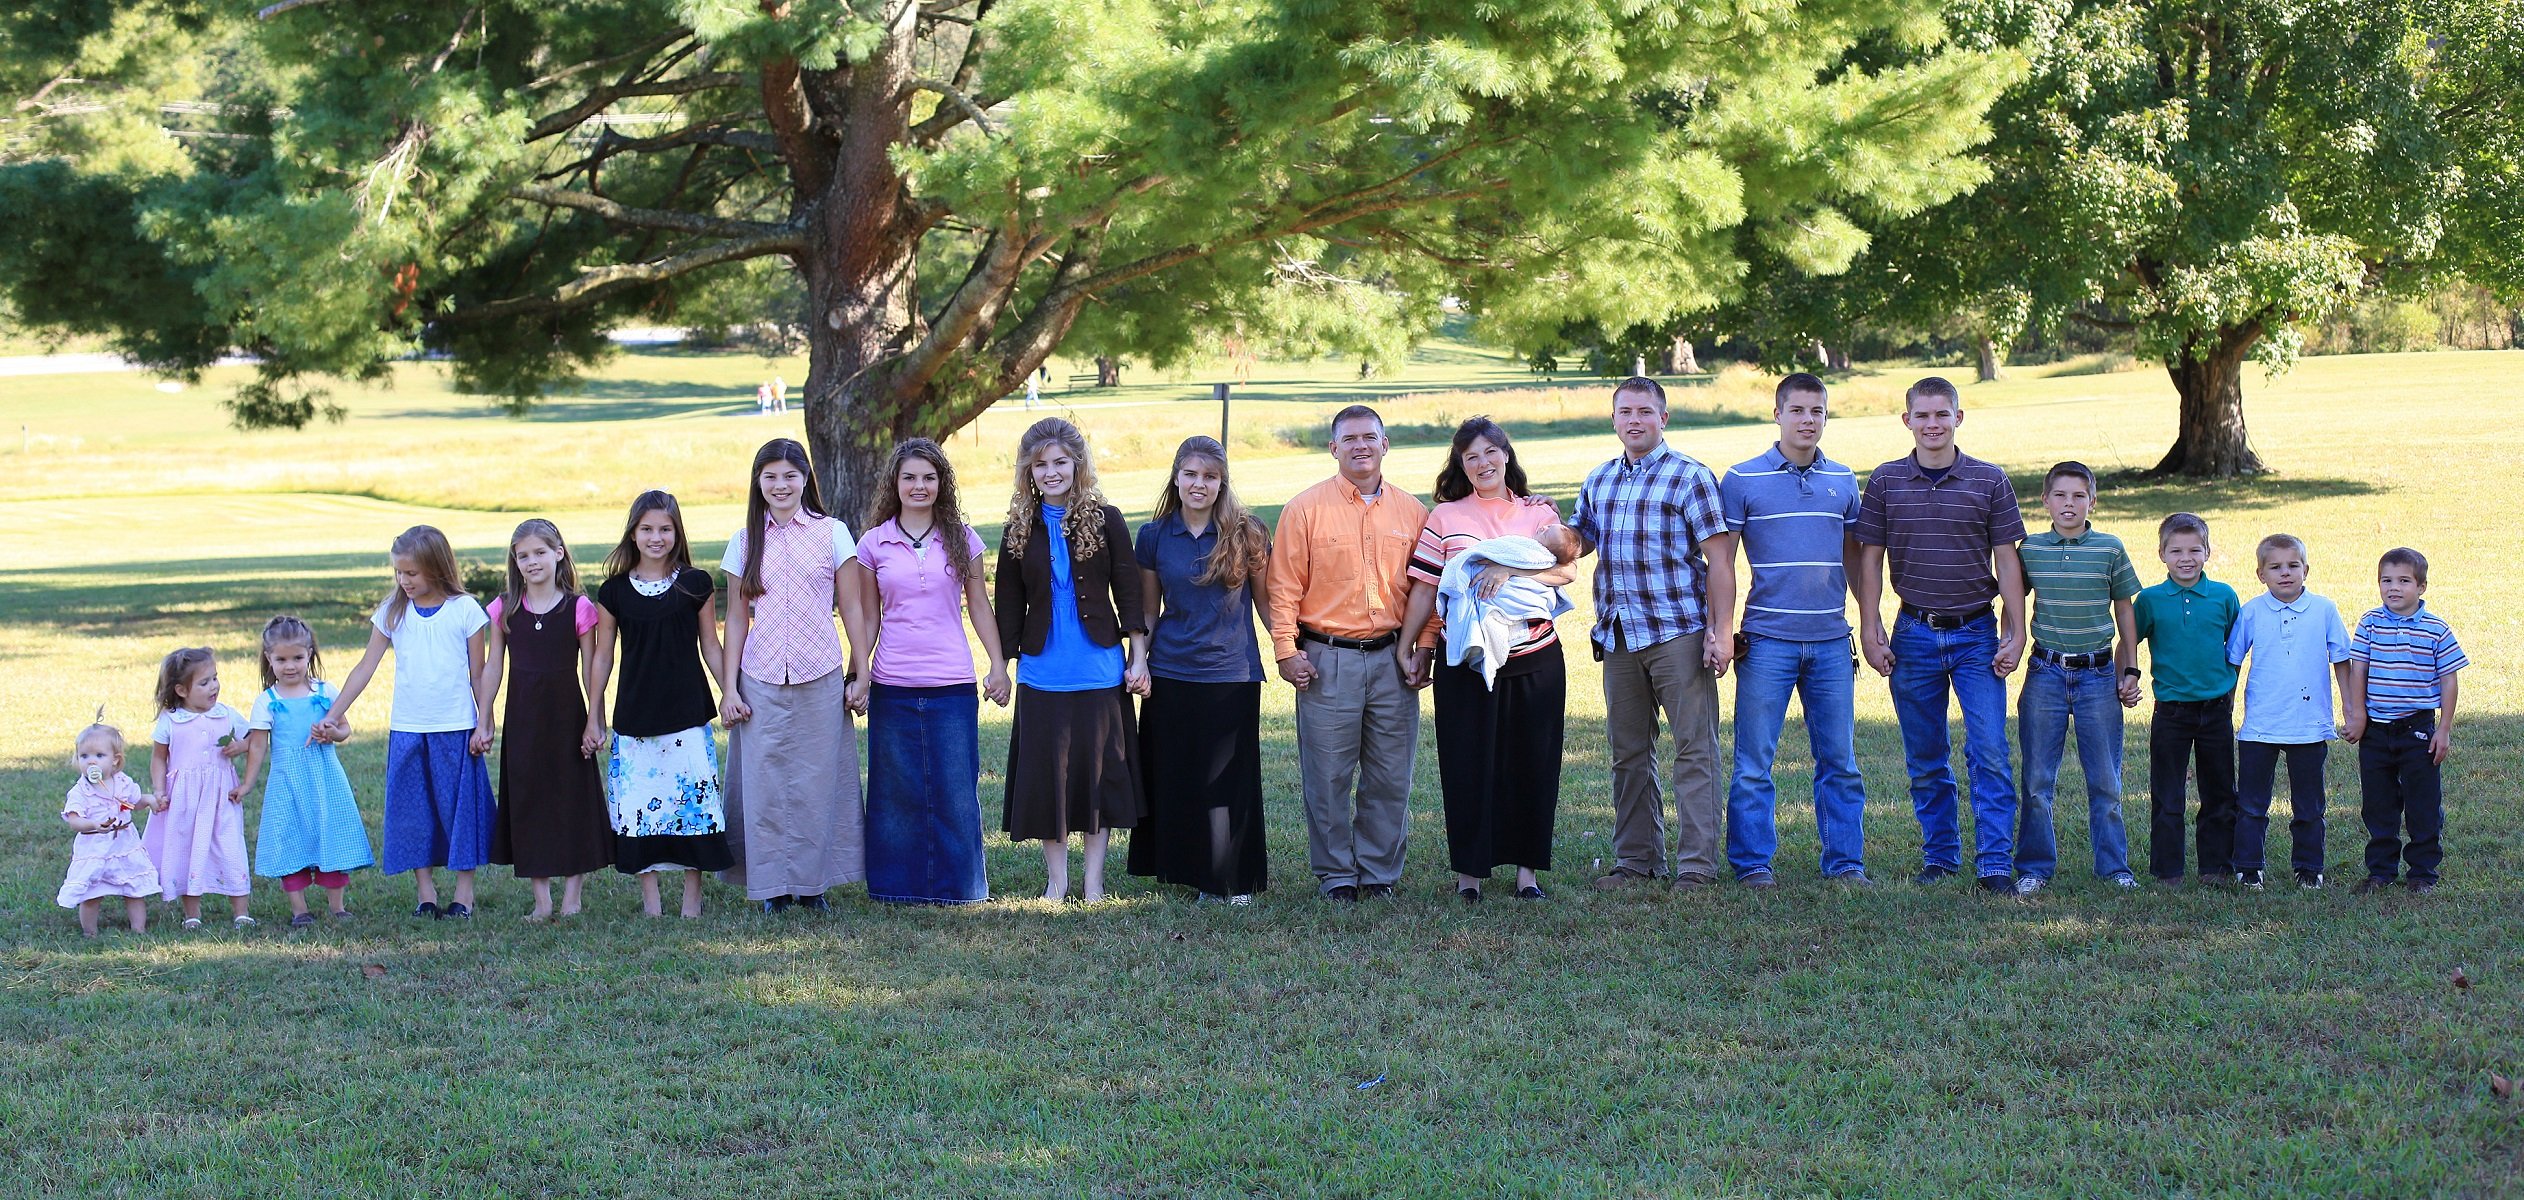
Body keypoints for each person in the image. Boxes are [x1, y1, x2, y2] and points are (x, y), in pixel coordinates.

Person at [1852, 376, 2028, 894]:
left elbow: (2007, 559)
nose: (1933, 425)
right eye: (1922, 416)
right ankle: (1941, 856)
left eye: (1941, 415)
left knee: (1989, 750)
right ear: (1907, 421)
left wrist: (2015, 630)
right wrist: (1871, 624)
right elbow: (1870, 559)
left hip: (1977, 632)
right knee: (1926, 754)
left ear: (1958, 418)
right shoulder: (1885, 482)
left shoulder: (1989, 480)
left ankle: (1994, 862)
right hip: (1914, 632)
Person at [1396, 417, 1573, 902]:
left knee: (1532, 763)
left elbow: (1566, 571)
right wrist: (1412, 645)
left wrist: (1506, 569)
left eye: (1490, 453)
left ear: (1506, 454)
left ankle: (1527, 875)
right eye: (1470, 457)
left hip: (1534, 656)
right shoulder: (1446, 517)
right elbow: (1429, 588)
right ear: (1461, 465)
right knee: (1467, 763)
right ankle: (1469, 876)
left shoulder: (1538, 513)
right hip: (1466, 661)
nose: (1482, 463)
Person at [1568, 378, 1733, 891]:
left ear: (1664, 418)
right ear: (1613, 419)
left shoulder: (1690, 477)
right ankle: (1637, 861)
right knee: (1628, 753)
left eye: (1645, 411)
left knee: (1694, 751)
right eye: (1625, 411)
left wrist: (1720, 632)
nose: (1634, 420)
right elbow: (1577, 541)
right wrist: (1528, 530)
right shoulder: (1600, 480)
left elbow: (1721, 561)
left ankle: (1696, 867)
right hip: (1618, 637)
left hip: (1677, 633)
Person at [1712, 373, 1869, 887]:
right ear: (1777, 414)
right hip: (1766, 641)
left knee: (1839, 760)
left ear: (1827, 416)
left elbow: (1855, 557)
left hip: (1830, 641)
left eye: (1817, 411)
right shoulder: (1741, 479)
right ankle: (1753, 863)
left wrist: (1869, 622)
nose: (1808, 420)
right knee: (1754, 760)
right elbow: (1723, 563)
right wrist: (1722, 631)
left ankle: (1845, 862)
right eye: (1797, 410)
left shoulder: (1844, 480)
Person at [1266, 405, 1428, 902]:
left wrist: (1423, 647)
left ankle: (1378, 872)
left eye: (1370, 437)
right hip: (1326, 658)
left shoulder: (1413, 512)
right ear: (1333, 448)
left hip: (1393, 658)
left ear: (1386, 444)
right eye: (1350, 439)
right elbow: (1283, 586)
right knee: (1328, 774)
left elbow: (1429, 586)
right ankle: (1336, 874)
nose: (1361, 446)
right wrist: (1286, 650)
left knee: (1389, 772)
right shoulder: (1305, 509)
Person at [848, 439, 1010, 906]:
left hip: (952, 683)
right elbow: (869, 617)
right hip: (892, 683)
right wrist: (860, 674)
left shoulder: (963, 537)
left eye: (929, 477)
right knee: (893, 792)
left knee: (956, 789)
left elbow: (979, 606)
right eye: (909, 478)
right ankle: (895, 889)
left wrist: (997, 665)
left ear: (942, 483)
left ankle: (962, 888)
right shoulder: (873, 543)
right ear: (894, 484)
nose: (919, 486)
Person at [995, 417, 1149, 902]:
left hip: (1100, 669)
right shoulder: (1019, 528)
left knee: (1098, 778)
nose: (1051, 472)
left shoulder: (1107, 518)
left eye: (1060, 462)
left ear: (1078, 465)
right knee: (1051, 783)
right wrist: (1003, 664)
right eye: (1040, 465)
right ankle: (1057, 880)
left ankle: (1094, 881)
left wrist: (1138, 656)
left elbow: (1129, 592)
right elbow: (1006, 603)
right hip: (1043, 674)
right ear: (1028, 471)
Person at [718, 438, 869, 913]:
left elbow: (851, 607)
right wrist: (728, 687)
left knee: (816, 780)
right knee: (762, 784)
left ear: (806, 479)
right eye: (770, 476)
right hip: (759, 676)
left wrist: (860, 671)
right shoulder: (744, 540)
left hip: (820, 671)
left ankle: (812, 885)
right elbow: (738, 617)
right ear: (757, 482)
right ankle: (771, 889)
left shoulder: (832, 533)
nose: (780, 485)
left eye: (790, 475)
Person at [319, 525, 498, 919]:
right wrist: (333, 716)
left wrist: (484, 720)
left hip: (455, 728)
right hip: (408, 728)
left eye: (412, 573)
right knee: (415, 812)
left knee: (458, 810)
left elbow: (478, 673)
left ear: (436, 567)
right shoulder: (393, 611)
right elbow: (366, 667)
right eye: (399, 573)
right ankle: (426, 893)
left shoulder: (465, 610)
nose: (404, 581)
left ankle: (464, 895)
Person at [1130, 436, 1273, 904]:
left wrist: (1290, 652)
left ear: (1222, 482)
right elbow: (1148, 613)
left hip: (1231, 672)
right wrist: (1139, 661)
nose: (1200, 484)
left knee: (1229, 780)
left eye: (1210, 476)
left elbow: (1268, 604)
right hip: (1170, 673)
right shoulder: (1153, 536)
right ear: (1176, 478)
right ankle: (1191, 873)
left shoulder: (1247, 532)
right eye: (1191, 474)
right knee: (1177, 777)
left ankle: (1233, 880)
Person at [588, 490, 738, 918]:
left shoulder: (697, 584)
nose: (657, 537)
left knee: (693, 805)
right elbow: (603, 656)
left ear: (677, 532)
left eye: (665, 529)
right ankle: (651, 902)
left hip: (688, 714)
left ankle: (693, 897)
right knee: (640, 805)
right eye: (647, 529)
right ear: (633, 534)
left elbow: (711, 644)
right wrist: (594, 714)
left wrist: (730, 690)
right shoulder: (613, 592)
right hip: (635, 717)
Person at [2007, 462, 2145, 894]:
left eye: (2079, 496)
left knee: (2105, 778)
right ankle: (2034, 867)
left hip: (2098, 675)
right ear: (2045, 500)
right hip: (2045, 672)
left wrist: (2130, 668)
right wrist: (2007, 642)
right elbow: (2012, 601)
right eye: (2061, 496)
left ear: (2092, 501)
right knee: (2036, 779)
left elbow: (2125, 613)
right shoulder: (2029, 549)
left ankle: (2114, 866)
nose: (2070, 504)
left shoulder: (2109, 548)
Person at [477, 518, 616, 920]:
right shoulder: (504, 609)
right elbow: (492, 668)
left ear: (558, 554)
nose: (531, 561)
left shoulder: (579, 607)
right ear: (514, 561)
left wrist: (595, 721)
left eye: (540, 552)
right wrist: (484, 717)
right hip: (522, 718)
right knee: (529, 799)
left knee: (572, 797)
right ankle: (542, 900)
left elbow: (594, 671)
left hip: (567, 717)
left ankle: (573, 897)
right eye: (523, 556)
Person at [2223, 533, 2351, 891]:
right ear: (2261, 574)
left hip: (2308, 725)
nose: (2285, 573)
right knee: (2251, 804)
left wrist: (2351, 709)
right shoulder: (2251, 611)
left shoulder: (2324, 609)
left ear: (2306, 570)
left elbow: (2342, 660)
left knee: (2309, 805)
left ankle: (2309, 867)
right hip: (2260, 726)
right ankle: (2248, 867)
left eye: (2293, 566)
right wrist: (2226, 707)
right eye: (2275, 567)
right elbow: (2232, 662)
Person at [2344, 547, 2466, 895]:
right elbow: (2359, 670)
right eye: (2386, 580)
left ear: (2422, 586)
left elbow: (2449, 680)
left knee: (2422, 803)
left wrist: (2443, 728)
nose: (2393, 588)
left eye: (2403, 581)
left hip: (2418, 728)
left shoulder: (2436, 629)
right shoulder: (2370, 623)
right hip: (2376, 731)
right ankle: (2381, 871)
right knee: (2378, 804)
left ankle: (2422, 873)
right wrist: (2358, 714)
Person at [2132, 513, 2242, 885]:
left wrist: (2229, 691)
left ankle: (2216, 867)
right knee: (2167, 794)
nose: (2186, 558)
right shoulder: (2149, 600)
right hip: (2171, 713)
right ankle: (2168, 871)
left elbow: (2235, 648)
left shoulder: (2224, 597)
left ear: (2208, 551)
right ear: (2162, 554)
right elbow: (2128, 642)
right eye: (2176, 550)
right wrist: (2126, 677)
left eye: (2195, 549)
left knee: (2220, 791)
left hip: (2215, 711)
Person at [241, 616, 372, 926]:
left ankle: (337, 906)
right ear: (268, 658)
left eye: (298, 658)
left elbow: (344, 730)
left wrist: (331, 733)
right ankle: (299, 909)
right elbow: (258, 746)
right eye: (281, 659)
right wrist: (247, 784)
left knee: (330, 833)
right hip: (288, 780)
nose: (290, 666)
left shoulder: (325, 691)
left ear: (310, 654)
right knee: (291, 837)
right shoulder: (267, 702)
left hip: (324, 776)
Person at [144, 647, 254, 928]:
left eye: (215, 678)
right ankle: (192, 914)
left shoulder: (226, 715)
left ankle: (240, 911)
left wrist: (242, 745)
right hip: (184, 798)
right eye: (204, 682)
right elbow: (159, 758)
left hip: (221, 796)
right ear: (181, 690)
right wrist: (159, 790)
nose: (214, 686)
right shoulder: (171, 720)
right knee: (186, 848)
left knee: (230, 845)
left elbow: (256, 737)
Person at [59, 719, 159, 936]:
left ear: (115, 760)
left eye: (99, 756)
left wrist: (149, 800)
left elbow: (133, 802)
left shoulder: (122, 782)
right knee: (91, 893)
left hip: (124, 844)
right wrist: (93, 824)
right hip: (94, 847)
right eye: (84, 756)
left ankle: (138, 928)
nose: (90, 762)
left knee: (134, 889)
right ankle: (90, 932)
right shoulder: (81, 791)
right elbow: (74, 820)